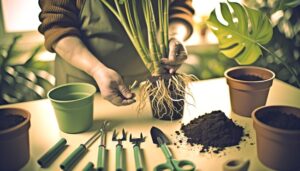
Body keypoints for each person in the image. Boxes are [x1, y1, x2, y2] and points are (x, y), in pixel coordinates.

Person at [38, 0, 194, 106]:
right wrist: (96, 70)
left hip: (146, 82)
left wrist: (175, 36)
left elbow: (179, 8)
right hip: (84, 85)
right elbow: (56, 24)